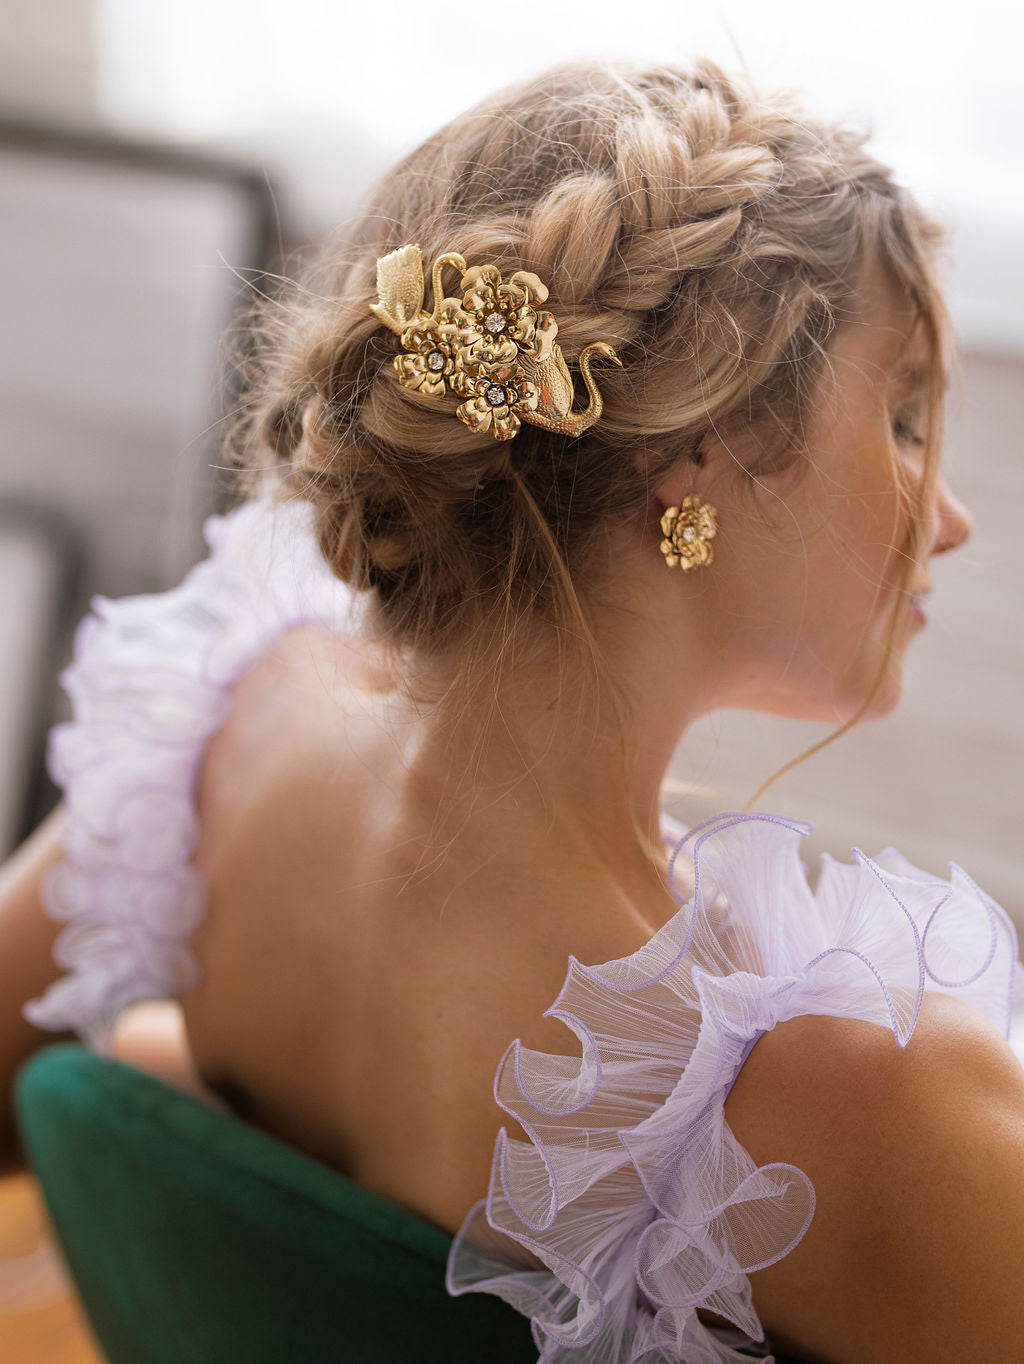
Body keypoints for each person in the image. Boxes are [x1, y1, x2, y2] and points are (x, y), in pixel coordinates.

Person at [1, 56, 1022, 1363]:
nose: (950, 518)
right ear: (694, 449)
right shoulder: (873, 1110)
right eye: (905, 415)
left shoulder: (219, 746)